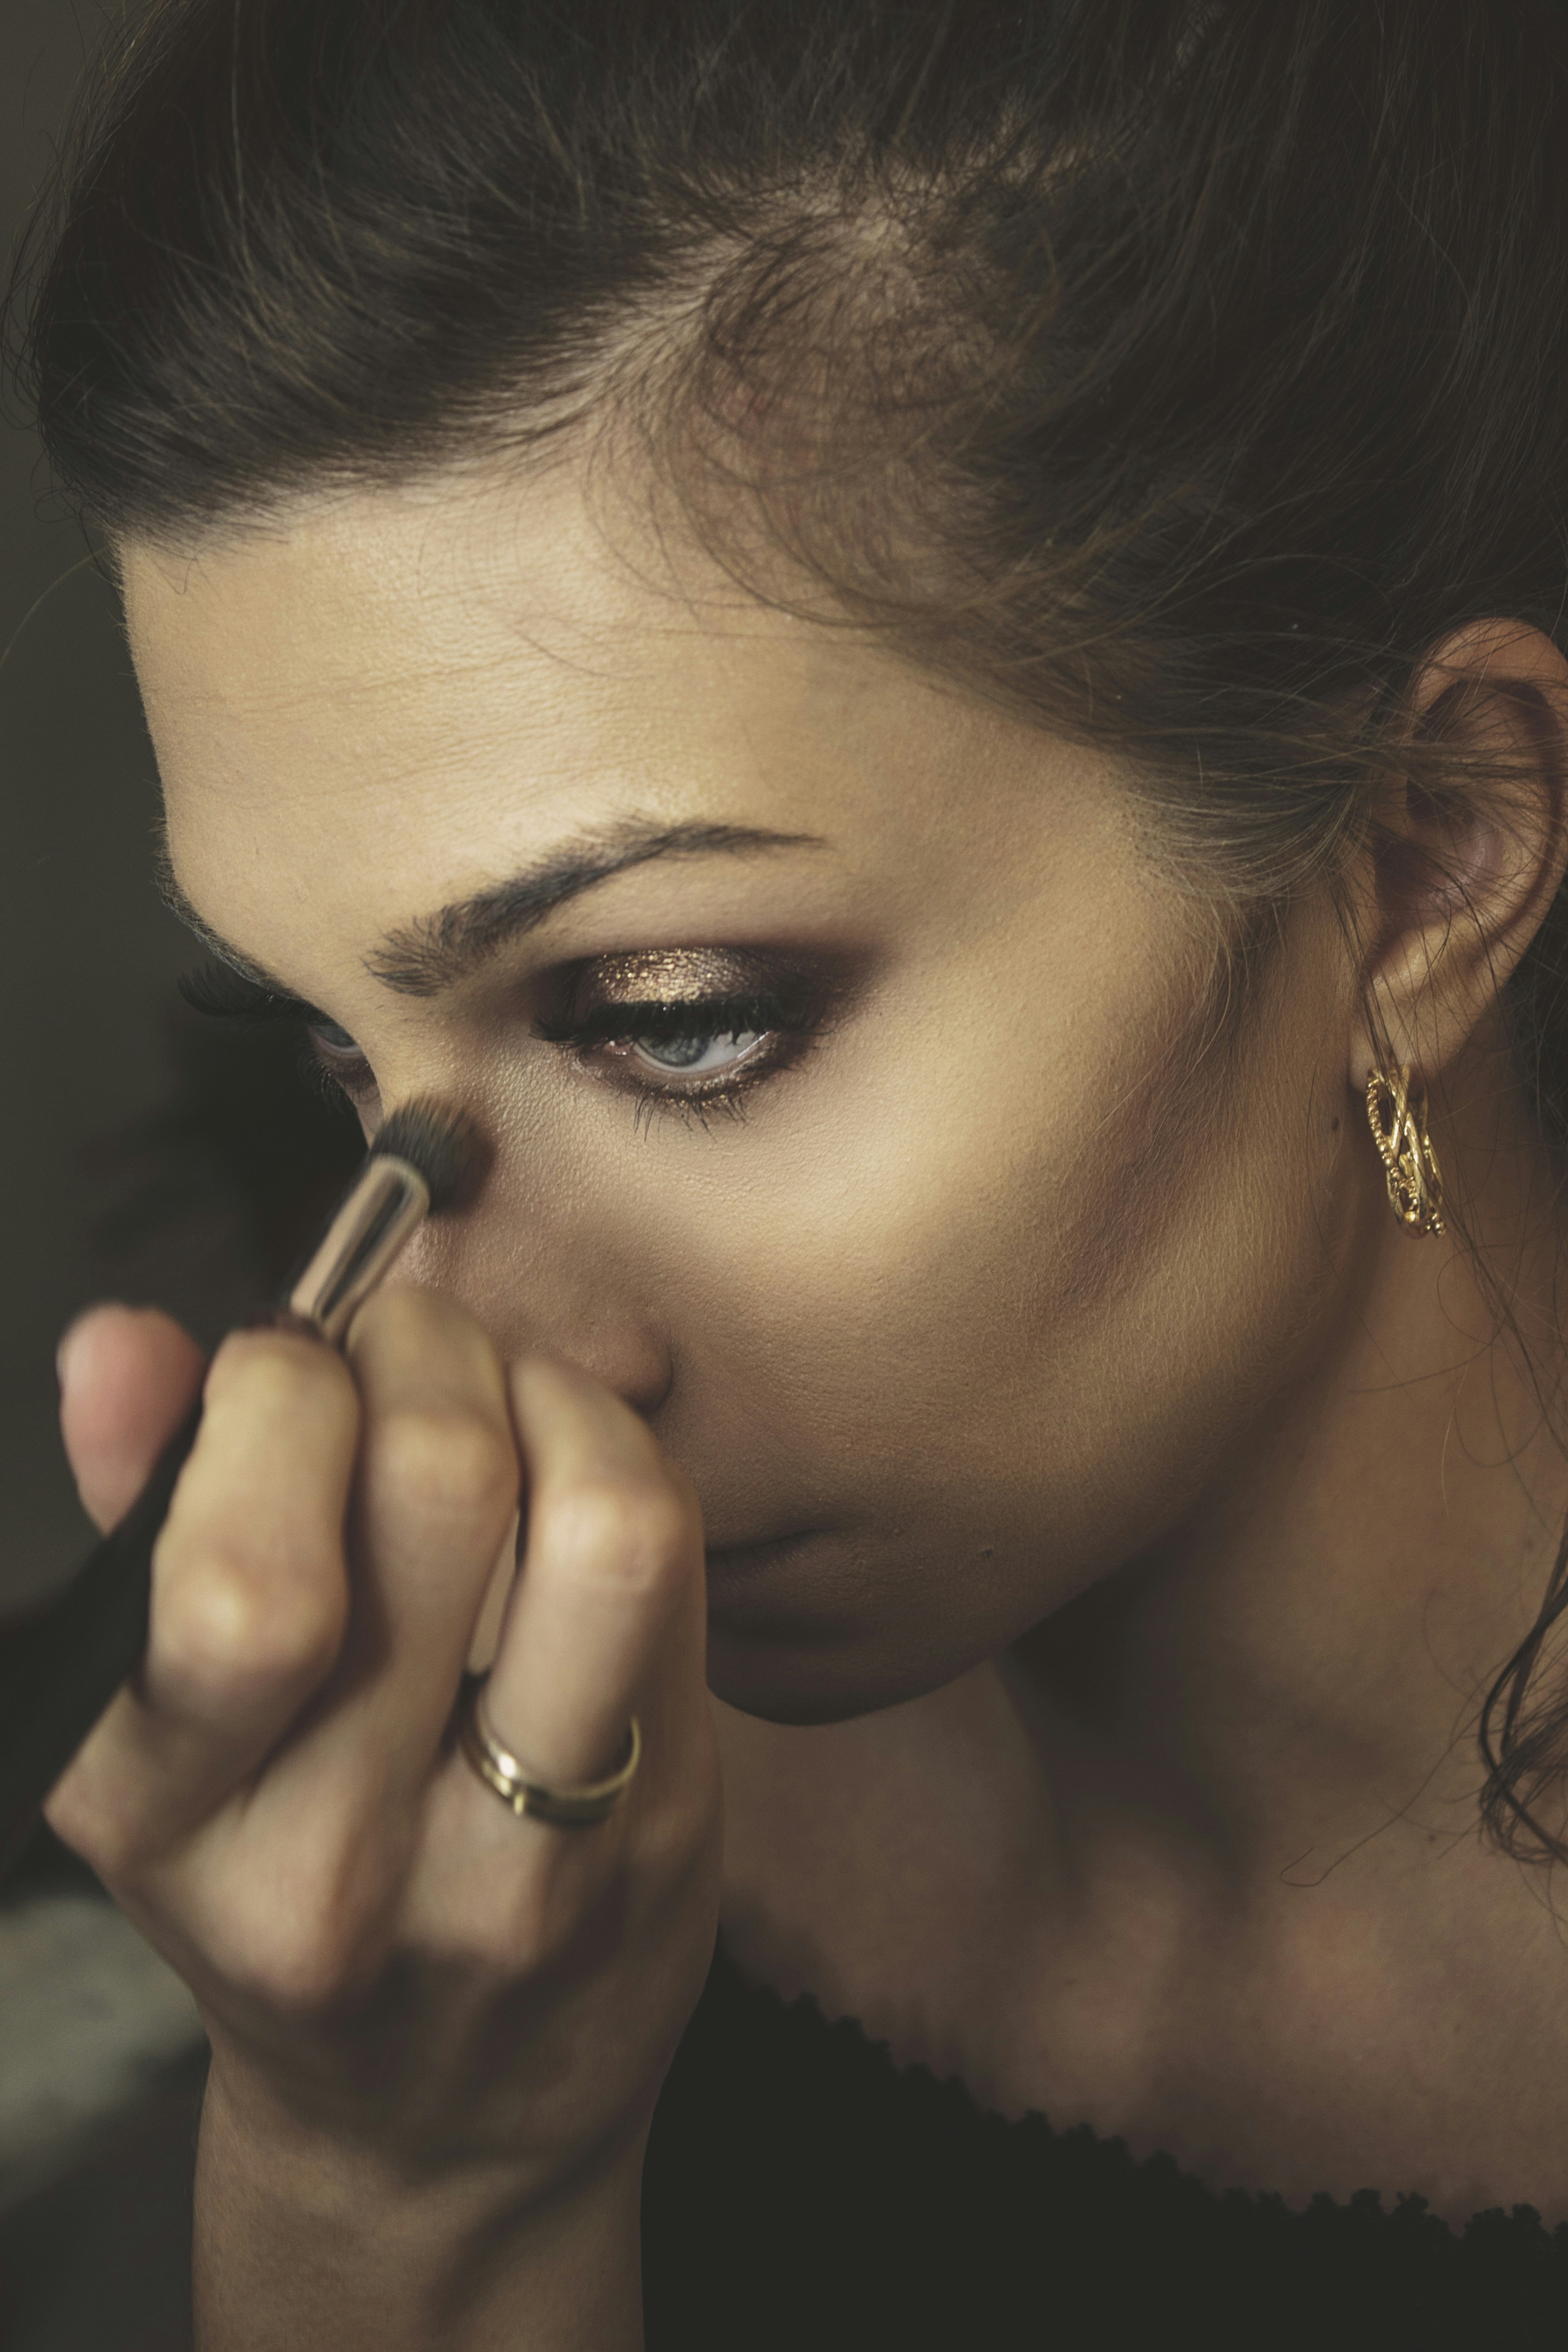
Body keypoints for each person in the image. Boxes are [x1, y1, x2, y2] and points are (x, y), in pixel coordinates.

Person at [14, 0, 1568, 2341]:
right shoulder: (408, 1818)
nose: (470, 1359)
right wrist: (389, 2189)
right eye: (343, 1055)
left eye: (682, 1023)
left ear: (1423, 859)